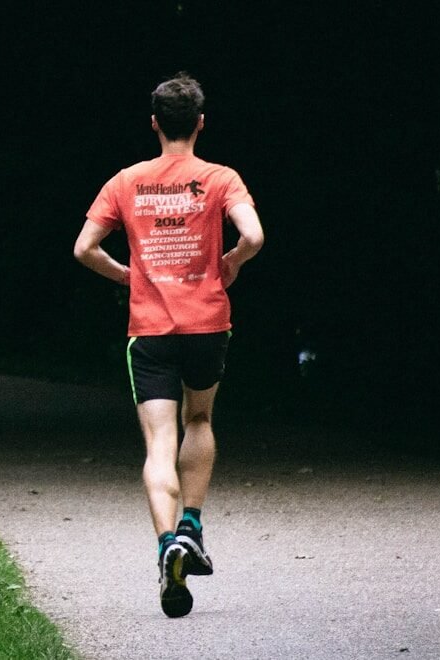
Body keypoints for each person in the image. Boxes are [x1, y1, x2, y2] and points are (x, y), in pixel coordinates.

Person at [71, 72, 264, 619]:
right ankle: (192, 528)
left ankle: (166, 549)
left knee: (159, 443)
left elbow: (84, 248)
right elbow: (253, 236)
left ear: (154, 123)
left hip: (150, 330)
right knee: (198, 421)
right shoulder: (221, 177)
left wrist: (126, 275)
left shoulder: (125, 181)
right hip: (207, 324)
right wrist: (231, 262)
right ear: (200, 123)